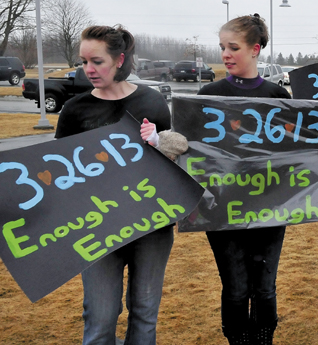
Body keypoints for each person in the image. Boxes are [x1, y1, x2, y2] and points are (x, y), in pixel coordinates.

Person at [173, 14, 318, 345]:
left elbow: (304, 150)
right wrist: (173, 143)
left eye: (233, 47)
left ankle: (264, 338)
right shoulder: (208, 94)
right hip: (223, 208)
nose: (225, 54)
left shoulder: (277, 96)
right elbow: (189, 150)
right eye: (222, 47)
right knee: (236, 288)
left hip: (270, 207)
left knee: (264, 286)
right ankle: (237, 340)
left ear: (255, 49)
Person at [55, 25, 180, 345]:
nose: (88, 70)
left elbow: (175, 167)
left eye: (96, 61)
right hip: (96, 227)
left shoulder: (152, 102)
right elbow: (58, 174)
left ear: (119, 59)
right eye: (83, 62)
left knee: (144, 313)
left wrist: (160, 145)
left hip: (151, 225)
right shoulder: (74, 110)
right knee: (99, 318)